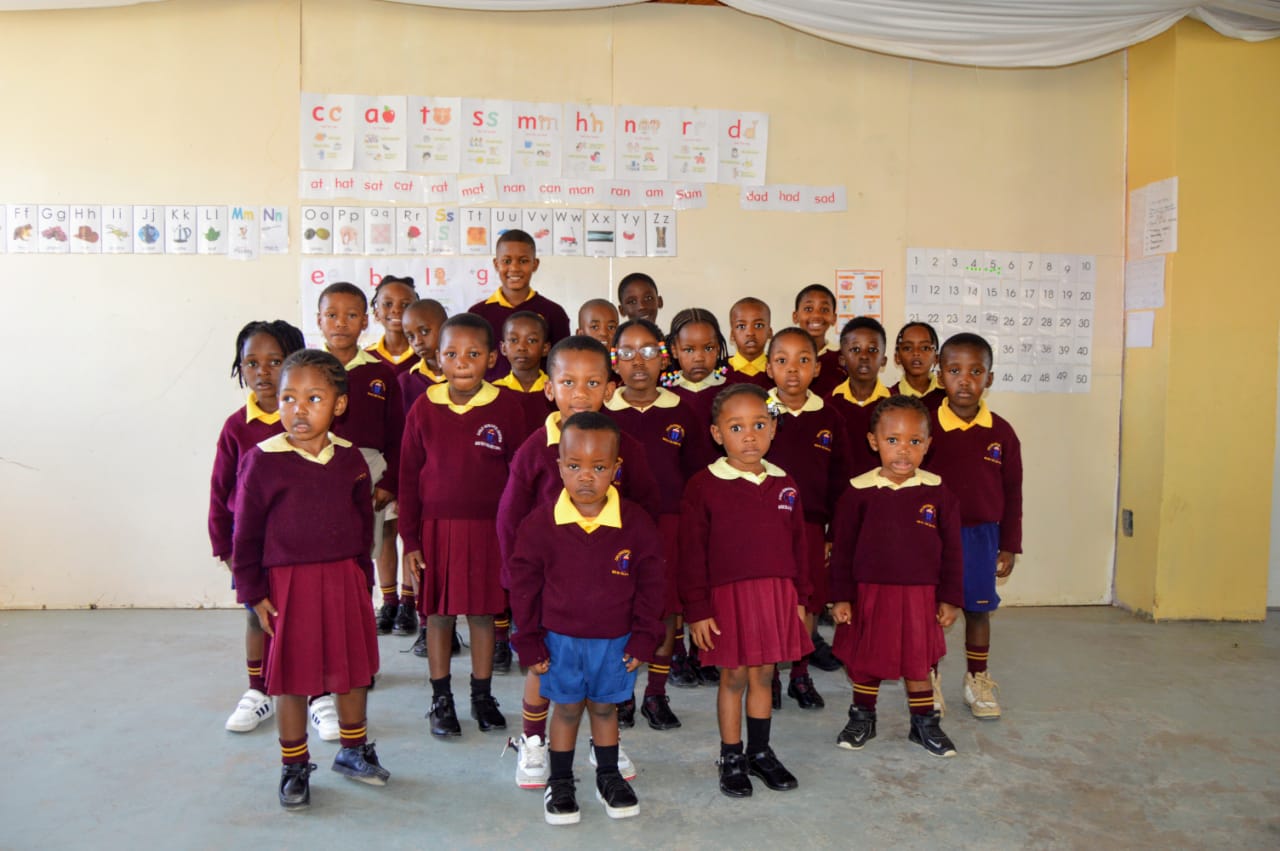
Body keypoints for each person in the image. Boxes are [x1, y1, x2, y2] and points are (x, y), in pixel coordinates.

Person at [497, 335, 661, 790]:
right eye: (568, 382)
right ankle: (533, 741)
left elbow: (645, 509)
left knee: (605, 673)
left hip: (609, 591)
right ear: (549, 388)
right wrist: (516, 582)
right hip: (552, 591)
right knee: (543, 668)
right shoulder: (535, 449)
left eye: (592, 382)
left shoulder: (625, 446)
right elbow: (510, 519)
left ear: (611, 388)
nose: (581, 393)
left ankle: (603, 744)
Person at [231, 349, 389, 810]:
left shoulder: (350, 460)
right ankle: (294, 765)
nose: (299, 409)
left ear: (338, 405)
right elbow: (246, 534)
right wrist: (253, 592)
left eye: (314, 398)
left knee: (352, 672)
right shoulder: (262, 461)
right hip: (288, 587)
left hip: (343, 580)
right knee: (293, 680)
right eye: (288, 398)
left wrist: (363, 577)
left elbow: (364, 525)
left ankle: (353, 750)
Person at [398, 314, 530, 739]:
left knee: (482, 614)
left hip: (488, 532)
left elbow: (520, 477)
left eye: (473, 354)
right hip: (436, 531)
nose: (462, 363)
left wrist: (514, 536)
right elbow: (407, 476)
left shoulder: (508, 406)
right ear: (438, 359)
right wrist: (411, 538)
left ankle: (482, 695)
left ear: (492, 358)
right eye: (452, 354)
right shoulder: (424, 407)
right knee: (437, 616)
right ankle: (441, 698)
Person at [680, 384, 812, 799]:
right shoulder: (704, 485)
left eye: (759, 424)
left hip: (776, 595)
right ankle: (731, 756)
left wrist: (802, 599)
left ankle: (760, 752)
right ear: (718, 434)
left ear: (774, 428)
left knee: (764, 674)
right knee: (734, 676)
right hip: (727, 599)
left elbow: (799, 549)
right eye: (737, 427)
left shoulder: (785, 483)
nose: (750, 435)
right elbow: (690, 553)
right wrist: (698, 609)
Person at [828, 394, 963, 757]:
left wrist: (950, 598)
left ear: (928, 445)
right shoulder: (858, 492)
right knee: (867, 658)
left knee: (917, 661)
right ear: (874, 442)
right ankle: (863, 717)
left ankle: (925, 724)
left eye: (914, 442)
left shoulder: (938, 492)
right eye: (893, 441)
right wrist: (842, 596)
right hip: (869, 594)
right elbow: (841, 550)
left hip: (919, 596)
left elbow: (952, 551)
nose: (903, 451)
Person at [604, 318, 714, 721]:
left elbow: (699, 477)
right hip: (615, 528)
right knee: (621, 609)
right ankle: (622, 693)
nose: (639, 361)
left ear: (664, 358)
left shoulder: (683, 411)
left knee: (666, 610)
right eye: (627, 352)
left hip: (670, 527)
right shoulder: (602, 414)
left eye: (649, 351)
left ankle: (656, 693)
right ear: (613, 361)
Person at [211, 320, 305, 733]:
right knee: (256, 617)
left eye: (274, 361)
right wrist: (225, 547)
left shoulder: (308, 420)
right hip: (253, 547)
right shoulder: (237, 427)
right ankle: (258, 690)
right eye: (252, 363)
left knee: (303, 618)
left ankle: (316, 695)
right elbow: (220, 490)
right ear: (240, 368)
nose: (263, 372)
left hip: (302, 547)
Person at [925, 333, 1023, 721]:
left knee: (978, 610)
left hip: (982, 536)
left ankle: (977, 679)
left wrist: (1009, 543)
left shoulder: (1002, 433)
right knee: (931, 611)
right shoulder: (927, 427)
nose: (964, 380)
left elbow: (1013, 491)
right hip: (931, 536)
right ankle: (926, 680)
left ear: (990, 378)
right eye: (954, 371)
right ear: (940, 377)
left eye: (975, 371)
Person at [763, 328, 853, 709]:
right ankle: (767, 679)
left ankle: (800, 673)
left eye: (803, 360)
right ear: (769, 369)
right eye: (782, 360)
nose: (793, 370)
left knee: (808, 603)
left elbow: (840, 480)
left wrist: (834, 530)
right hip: (764, 528)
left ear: (817, 368)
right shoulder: (758, 412)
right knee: (769, 601)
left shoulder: (829, 417)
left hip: (812, 527)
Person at [315, 283, 408, 639]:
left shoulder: (380, 373)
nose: (341, 323)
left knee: (360, 558)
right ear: (319, 320)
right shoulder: (308, 370)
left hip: (367, 471)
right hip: (317, 471)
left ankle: (359, 636)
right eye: (332, 315)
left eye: (351, 315)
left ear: (365, 321)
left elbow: (397, 433)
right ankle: (326, 632)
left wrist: (389, 482)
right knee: (323, 559)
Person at [663, 308, 730, 682]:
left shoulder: (731, 391)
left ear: (718, 349)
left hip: (719, 502)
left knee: (709, 574)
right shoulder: (665, 394)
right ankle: (675, 652)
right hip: (677, 503)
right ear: (674, 350)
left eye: (707, 348)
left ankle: (703, 649)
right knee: (678, 577)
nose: (698, 357)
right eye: (689, 349)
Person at [468, 228, 571, 380]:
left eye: (523, 261)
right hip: (490, 400)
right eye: (507, 261)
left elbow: (563, 365)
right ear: (496, 264)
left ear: (535, 264)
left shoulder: (553, 313)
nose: (514, 268)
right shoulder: (477, 315)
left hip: (540, 399)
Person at [827, 317, 891, 476]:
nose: (864, 356)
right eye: (855, 349)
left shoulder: (896, 406)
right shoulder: (828, 405)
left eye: (872, 350)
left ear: (883, 360)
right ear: (842, 359)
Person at [493, 311, 555, 424]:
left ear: (545, 348)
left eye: (531, 340)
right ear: (503, 348)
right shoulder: (494, 390)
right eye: (514, 340)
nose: (522, 347)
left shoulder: (556, 389)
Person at [792, 284, 844, 397]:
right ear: (795, 316)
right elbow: (769, 396)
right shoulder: (782, 356)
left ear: (834, 318)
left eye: (824, 310)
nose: (816, 315)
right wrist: (776, 414)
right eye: (808, 309)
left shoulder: (842, 359)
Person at [397, 298, 448, 413]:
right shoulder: (405, 381)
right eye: (410, 336)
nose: (417, 342)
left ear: (445, 327)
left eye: (425, 331)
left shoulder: (464, 374)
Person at [366, 276, 420, 375]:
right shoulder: (365, 358)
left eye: (405, 305)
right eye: (388, 304)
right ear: (376, 313)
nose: (396, 310)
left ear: (417, 313)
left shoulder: (427, 357)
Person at [890, 321, 944, 409]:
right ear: (897, 357)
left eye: (925, 348)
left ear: (936, 358)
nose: (916, 353)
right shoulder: (889, 398)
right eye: (907, 348)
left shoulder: (948, 397)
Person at [725, 297, 774, 390]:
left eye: (758, 325)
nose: (750, 332)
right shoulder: (719, 372)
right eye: (741, 326)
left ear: (769, 332)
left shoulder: (778, 371)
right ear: (732, 335)